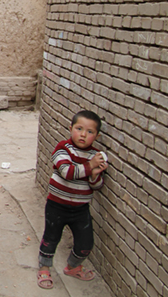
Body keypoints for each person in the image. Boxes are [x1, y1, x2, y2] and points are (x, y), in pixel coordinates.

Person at [37, 110, 108, 290]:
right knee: (51, 238)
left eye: (90, 132)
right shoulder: (63, 148)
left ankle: (72, 266)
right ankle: (44, 268)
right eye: (79, 128)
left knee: (85, 243)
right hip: (56, 206)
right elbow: (67, 173)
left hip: (80, 208)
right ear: (71, 129)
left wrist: (94, 174)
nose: (83, 134)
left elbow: (97, 185)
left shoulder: (96, 155)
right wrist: (90, 166)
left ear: (97, 135)